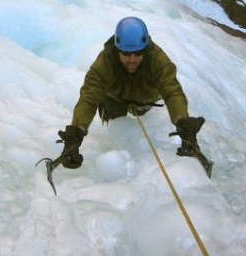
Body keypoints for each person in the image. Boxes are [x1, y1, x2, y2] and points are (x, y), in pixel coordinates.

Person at [57, 16, 206, 169]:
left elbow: (171, 90)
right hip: (114, 99)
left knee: (141, 113)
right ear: (117, 50)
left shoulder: (157, 60)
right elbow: (89, 96)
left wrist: (182, 121)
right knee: (115, 125)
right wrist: (77, 131)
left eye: (138, 53)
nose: (132, 60)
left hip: (145, 99)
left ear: (145, 50)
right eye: (126, 54)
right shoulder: (105, 62)